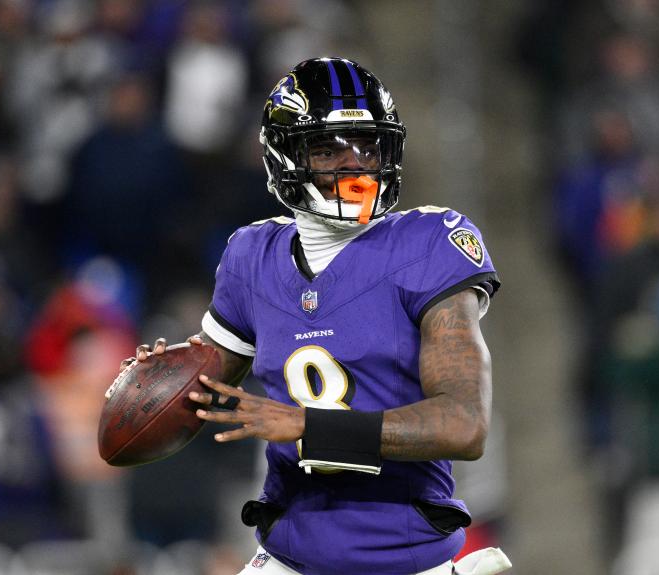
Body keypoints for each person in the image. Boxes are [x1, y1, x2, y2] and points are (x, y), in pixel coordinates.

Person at [111, 57, 510, 575]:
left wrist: (309, 426)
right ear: (285, 156)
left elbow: (464, 424)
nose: (355, 165)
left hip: (404, 559)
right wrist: (157, 382)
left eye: (368, 146)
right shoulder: (252, 256)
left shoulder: (429, 243)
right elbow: (205, 390)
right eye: (328, 149)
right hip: (288, 556)